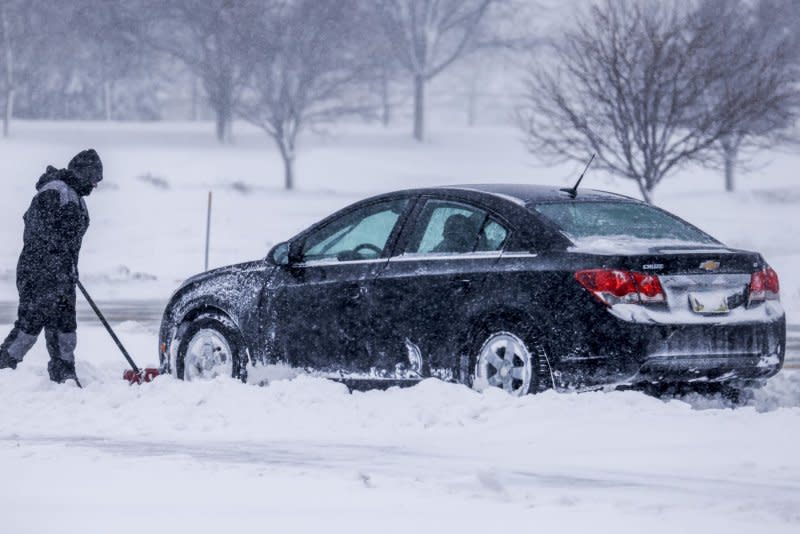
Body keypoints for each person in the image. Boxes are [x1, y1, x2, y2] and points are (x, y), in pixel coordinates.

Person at [0, 149, 103, 384]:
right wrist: (54, 260)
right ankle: (3, 368)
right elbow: (36, 229)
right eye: (94, 178)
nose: (96, 185)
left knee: (65, 326)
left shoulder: (77, 198)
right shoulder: (55, 191)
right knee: (30, 325)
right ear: (83, 173)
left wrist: (67, 267)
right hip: (38, 271)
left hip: (63, 274)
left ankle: (64, 375)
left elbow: (70, 242)